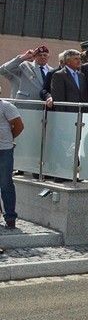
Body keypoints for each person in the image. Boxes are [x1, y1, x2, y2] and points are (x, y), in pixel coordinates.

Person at [0, 90, 24, 228]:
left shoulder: (7, 107)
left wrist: (9, 139)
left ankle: (10, 217)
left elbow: (19, 126)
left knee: (6, 183)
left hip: (4, 150)